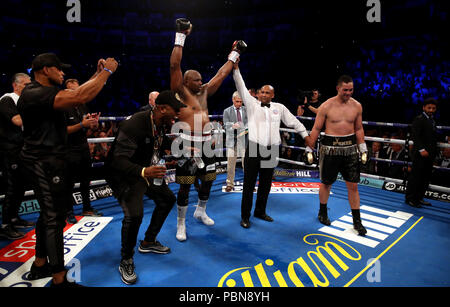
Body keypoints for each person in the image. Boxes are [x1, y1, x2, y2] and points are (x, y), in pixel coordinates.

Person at [18, 52, 118, 287]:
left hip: (51, 160)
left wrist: (97, 74)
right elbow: (79, 95)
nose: (63, 73)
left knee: (49, 215)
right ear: (45, 70)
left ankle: (40, 264)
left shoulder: (43, 93)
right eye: (58, 69)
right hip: (41, 161)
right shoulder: (34, 93)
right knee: (54, 219)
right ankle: (59, 279)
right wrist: (107, 72)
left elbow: (77, 94)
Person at [169, 18, 245, 241]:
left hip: (206, 143)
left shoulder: (203, 92)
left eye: (202, 79)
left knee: (209, 179)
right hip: (186, 145)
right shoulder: (180, 92)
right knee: (184, 187)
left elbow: (222, 74)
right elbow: (174, 65)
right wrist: (180, 35)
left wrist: (235, 53)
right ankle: (180, 223)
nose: (202, 82)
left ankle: (200, 210)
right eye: (197, 79)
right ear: (186, 81)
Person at [105, 90, 185, 285]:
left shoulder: (160, 122)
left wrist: (181, 147)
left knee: (167, 199)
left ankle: (148, 241)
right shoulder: (135, 124)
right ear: (162, 108)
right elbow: (117, 160)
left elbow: (156, 140)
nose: (178, 114)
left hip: (145, 169)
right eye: (175, 110)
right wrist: (144, 172)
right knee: (134, 215)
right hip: (123, 175)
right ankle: (126, 259)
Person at [232, 60, 311, 229]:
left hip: (272, 150)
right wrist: (236, 69)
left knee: (266, 183)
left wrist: (305, 135)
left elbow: (294, 122)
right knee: (249, 184)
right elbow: (241, 86)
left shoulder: (279, 108)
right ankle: (245, 216)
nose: (264, 95)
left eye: (267, 92)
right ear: (258, 94)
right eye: (262, 92)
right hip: (254, 148)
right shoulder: (252, 104)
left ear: (272, 95)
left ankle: (260, 211)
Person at [308, 75, 368, 236]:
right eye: (345, 90)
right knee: (326, 183)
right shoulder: (326, 106)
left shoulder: (357, 106)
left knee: (353, 186)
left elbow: (359, 129)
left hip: (350, 150)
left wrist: (363, 147)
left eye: (351, 90)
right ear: (338, 88)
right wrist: (309, 148)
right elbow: (316, 129)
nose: (348, 93)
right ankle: (323, 212)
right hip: (330, 150)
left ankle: (357, 221)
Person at [64, 78, 103, 224]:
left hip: (83, 147)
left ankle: (87, 208)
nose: (77, 92)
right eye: (73, 90)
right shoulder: (63, 107)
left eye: (78, 89)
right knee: (69, 183)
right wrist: (82, 124)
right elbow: (63, 130)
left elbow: (87, 129)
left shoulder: (82, 106)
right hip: (69, 149)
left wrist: (93, 124)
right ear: (67, 91)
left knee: (86, 180)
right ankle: (69, 212)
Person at [0, 72, 34, 240]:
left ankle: (14, 218)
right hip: (10, 150)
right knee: (12, 187)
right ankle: (5, 225)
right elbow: (17, 121)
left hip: (21, 149)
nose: (29, 88)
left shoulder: (21, 101)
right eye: (26, 85)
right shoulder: (7, 99)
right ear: (16, 85)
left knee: (20, 186)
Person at [405, 98, 439, 207]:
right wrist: (421, 149)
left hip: (430, 154)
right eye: (429, 108)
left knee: (425, 177)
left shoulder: (432, 120)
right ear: (424, 108)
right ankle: (411, 199)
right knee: (416, 177)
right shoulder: (419, 119)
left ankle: (419, 198)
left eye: (433, 108)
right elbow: (415, 135)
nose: (431, 110)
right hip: (420, 154)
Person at [223, 91, 248, 192]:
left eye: (241, 102)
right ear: (233, 100)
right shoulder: (227, 111)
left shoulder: (246, 110)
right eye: (237, 101)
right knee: (230, 164)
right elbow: (225, 125)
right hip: (231, 140)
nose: (239, 104)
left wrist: (244, 127)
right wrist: (233, 126)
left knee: (246, 164)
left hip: (244, 140)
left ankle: (248, 184)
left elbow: (250, 123)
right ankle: (229, 184)